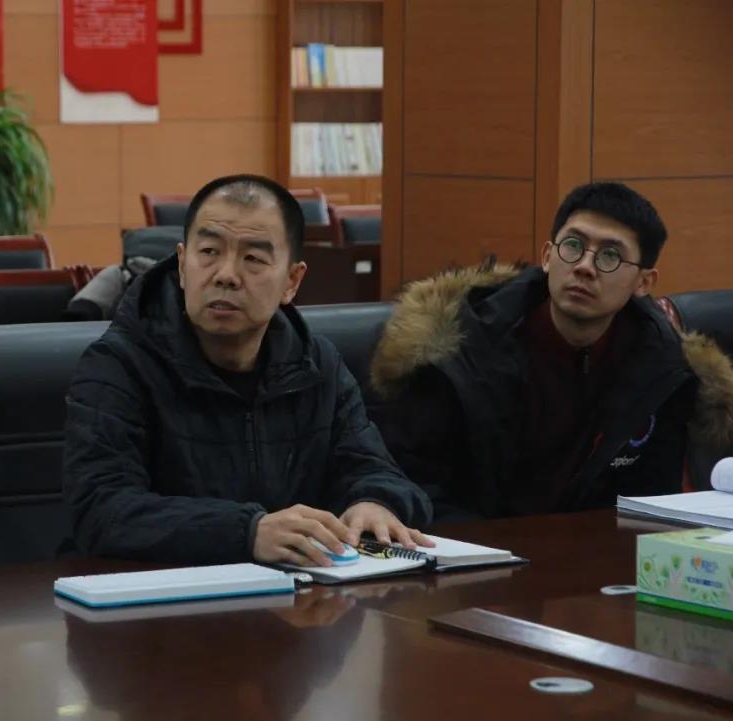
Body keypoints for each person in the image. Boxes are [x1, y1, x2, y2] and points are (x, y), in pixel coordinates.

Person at [63, 174, 432, 567]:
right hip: (157, 597)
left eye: (253, 258)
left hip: (300, 594)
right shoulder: (119, 364)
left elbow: (374, 467)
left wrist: (375, 501)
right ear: (183, 265)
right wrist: (246, 532)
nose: (226, 274)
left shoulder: (316, 364)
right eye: (209, 252)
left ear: (292, 281)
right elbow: (101, 510)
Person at [367, 181, 733, 522]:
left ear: (644, 282)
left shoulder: (663, 368)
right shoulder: (460, 350)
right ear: (547, 256)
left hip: (599, 557)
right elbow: (417, 487)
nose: (585, 267)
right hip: (473, 552)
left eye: (610, 256)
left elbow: (650, 503)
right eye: (573, 246)